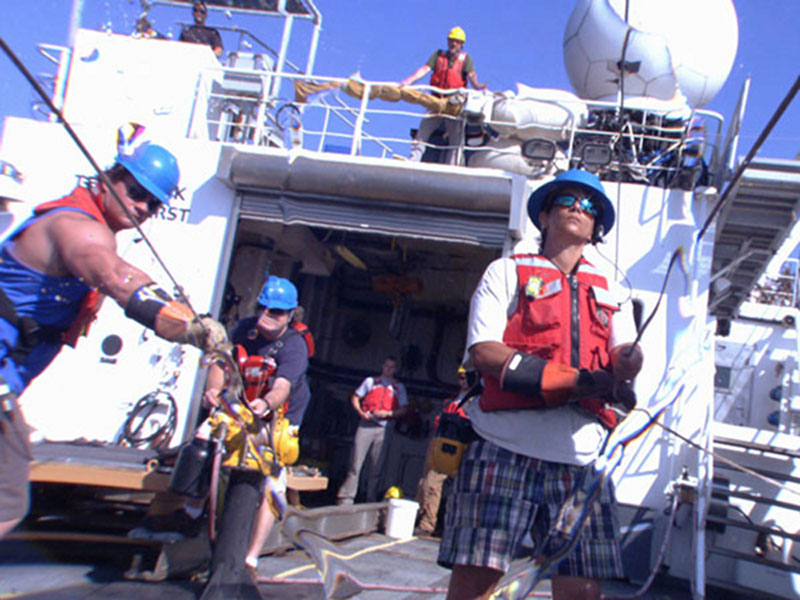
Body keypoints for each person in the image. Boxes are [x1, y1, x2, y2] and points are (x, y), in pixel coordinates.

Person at [0, 142, 227, 539]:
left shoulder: (92, 226)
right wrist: (189, 325)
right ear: (109, 177)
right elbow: (112, 274)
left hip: (9, 383)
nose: (142, 208)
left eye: (153, 204)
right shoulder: (77, 227)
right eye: (136, 192)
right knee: (7, 499)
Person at [438, 169, 644, 600]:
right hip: (501, 449)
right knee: (475, 586)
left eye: (589, 206)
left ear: (596, 229)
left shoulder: (613, 291)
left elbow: (625, 357)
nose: (577, 208)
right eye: (566, 199)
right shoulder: (505, 271)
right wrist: (565, 380)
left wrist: (630, 361)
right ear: (545, 217)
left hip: (581, 461)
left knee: (583, 591)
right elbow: (484, 352)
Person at [202, 276, 310, 570]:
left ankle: (250, 556)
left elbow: (283, 387)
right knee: (203, 445)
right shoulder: (242, 330)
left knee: (271, 482)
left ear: (290, 314)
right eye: (263, 307)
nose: (266, 316)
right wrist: (213, 391)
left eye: (275, 312)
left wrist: (267, 403)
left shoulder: (294, 346)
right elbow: (221, 363)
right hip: (241, 407)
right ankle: (190, 519)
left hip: (278, 415)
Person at [399, 26, 487, 164]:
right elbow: (424, 69)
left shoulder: (466, 59)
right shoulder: (438, 55)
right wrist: (407, 81)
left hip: (453, 104)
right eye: (452, 41)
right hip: (435, 101)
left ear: (461, 44)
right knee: (423, 132)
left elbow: (472, 76)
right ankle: (413, 160)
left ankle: (452, 165)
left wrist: (479, 86)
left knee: (456, 139)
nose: (454, 44)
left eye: (457, 42)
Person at [336, 356, 408, 505]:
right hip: (365, 425)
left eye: (392, 367)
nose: (389, 370)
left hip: (384, 428)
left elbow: (403, 409)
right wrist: (360, 412)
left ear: (396, 369)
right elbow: (355, 397)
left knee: (377, 466)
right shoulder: (371, 382)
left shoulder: (398, 387)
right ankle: (347, 497)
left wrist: (388, 414)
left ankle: (370, 498)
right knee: (356, 462)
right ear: (382, 366)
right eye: (387, 366)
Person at [415, 364, 470, 537]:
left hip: (457, 447)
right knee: (425, 483)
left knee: (434, 483)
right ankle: (420, 518)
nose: (463, 381)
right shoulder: (452, 400)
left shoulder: (474, 402)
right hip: (440, 443)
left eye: (466, 377)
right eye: (460, 377)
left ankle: (428, 524)